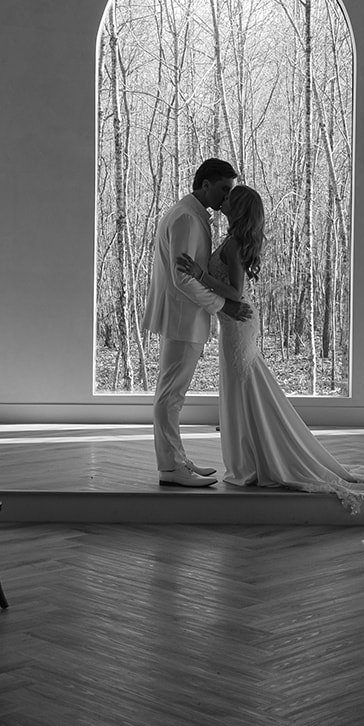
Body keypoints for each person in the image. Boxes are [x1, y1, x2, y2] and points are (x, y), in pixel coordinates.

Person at [177, 185, 364, 513]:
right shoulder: (230, 240)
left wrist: (200, 274)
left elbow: (236, 293)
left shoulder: (235, 244)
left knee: (244, 391)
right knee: (244, 391)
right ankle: (252, 459)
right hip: (232, 324)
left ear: (237, 207)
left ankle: (262, 460)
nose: (223, 199)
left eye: (229, 197)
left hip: (237, 323)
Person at [142, 159, 253, 488]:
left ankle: (176, 460)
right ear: (205, 185)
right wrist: (224, 307)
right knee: (171, 396)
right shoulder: (188, 219)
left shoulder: (189, 214)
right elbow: (182, 280)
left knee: (172, 394)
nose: (226, 197)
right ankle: (172, 468)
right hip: (183, 319)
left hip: (184, 318)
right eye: (223, 189)